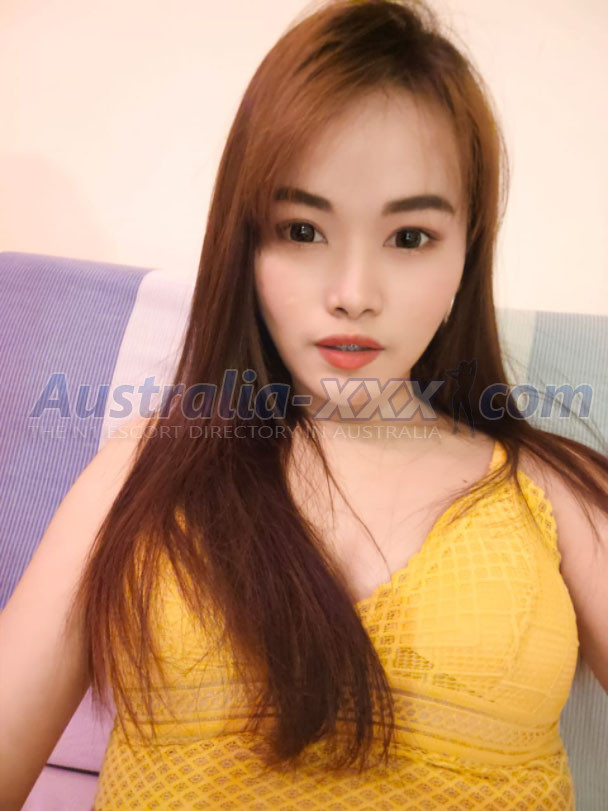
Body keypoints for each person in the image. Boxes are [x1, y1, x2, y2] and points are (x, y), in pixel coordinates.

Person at [1, 1, 607, 808]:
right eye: (303, 230)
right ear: (246, 242)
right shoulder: (141, 470)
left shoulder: (555, 492)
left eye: (410, 237)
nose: (353, 293)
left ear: (469, 252)